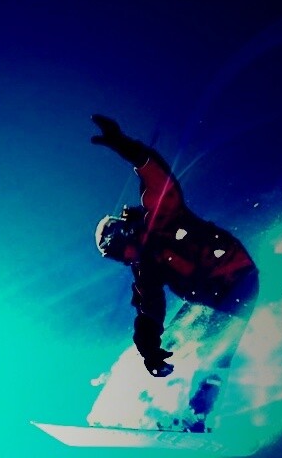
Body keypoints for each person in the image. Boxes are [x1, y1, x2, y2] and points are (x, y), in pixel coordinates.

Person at [90, 114, 258, 378]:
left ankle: (209, 381)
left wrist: (127, 147)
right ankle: (183, 380)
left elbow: (158, 181)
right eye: (114, 257)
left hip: (233, 275)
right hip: (215, 294)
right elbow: (149, 308)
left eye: (117, 251)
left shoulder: (160, 218)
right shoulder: (145, 268)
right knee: (180, 333)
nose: (122, 259)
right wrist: (149, 349)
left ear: (123, 234)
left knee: (215, 346)